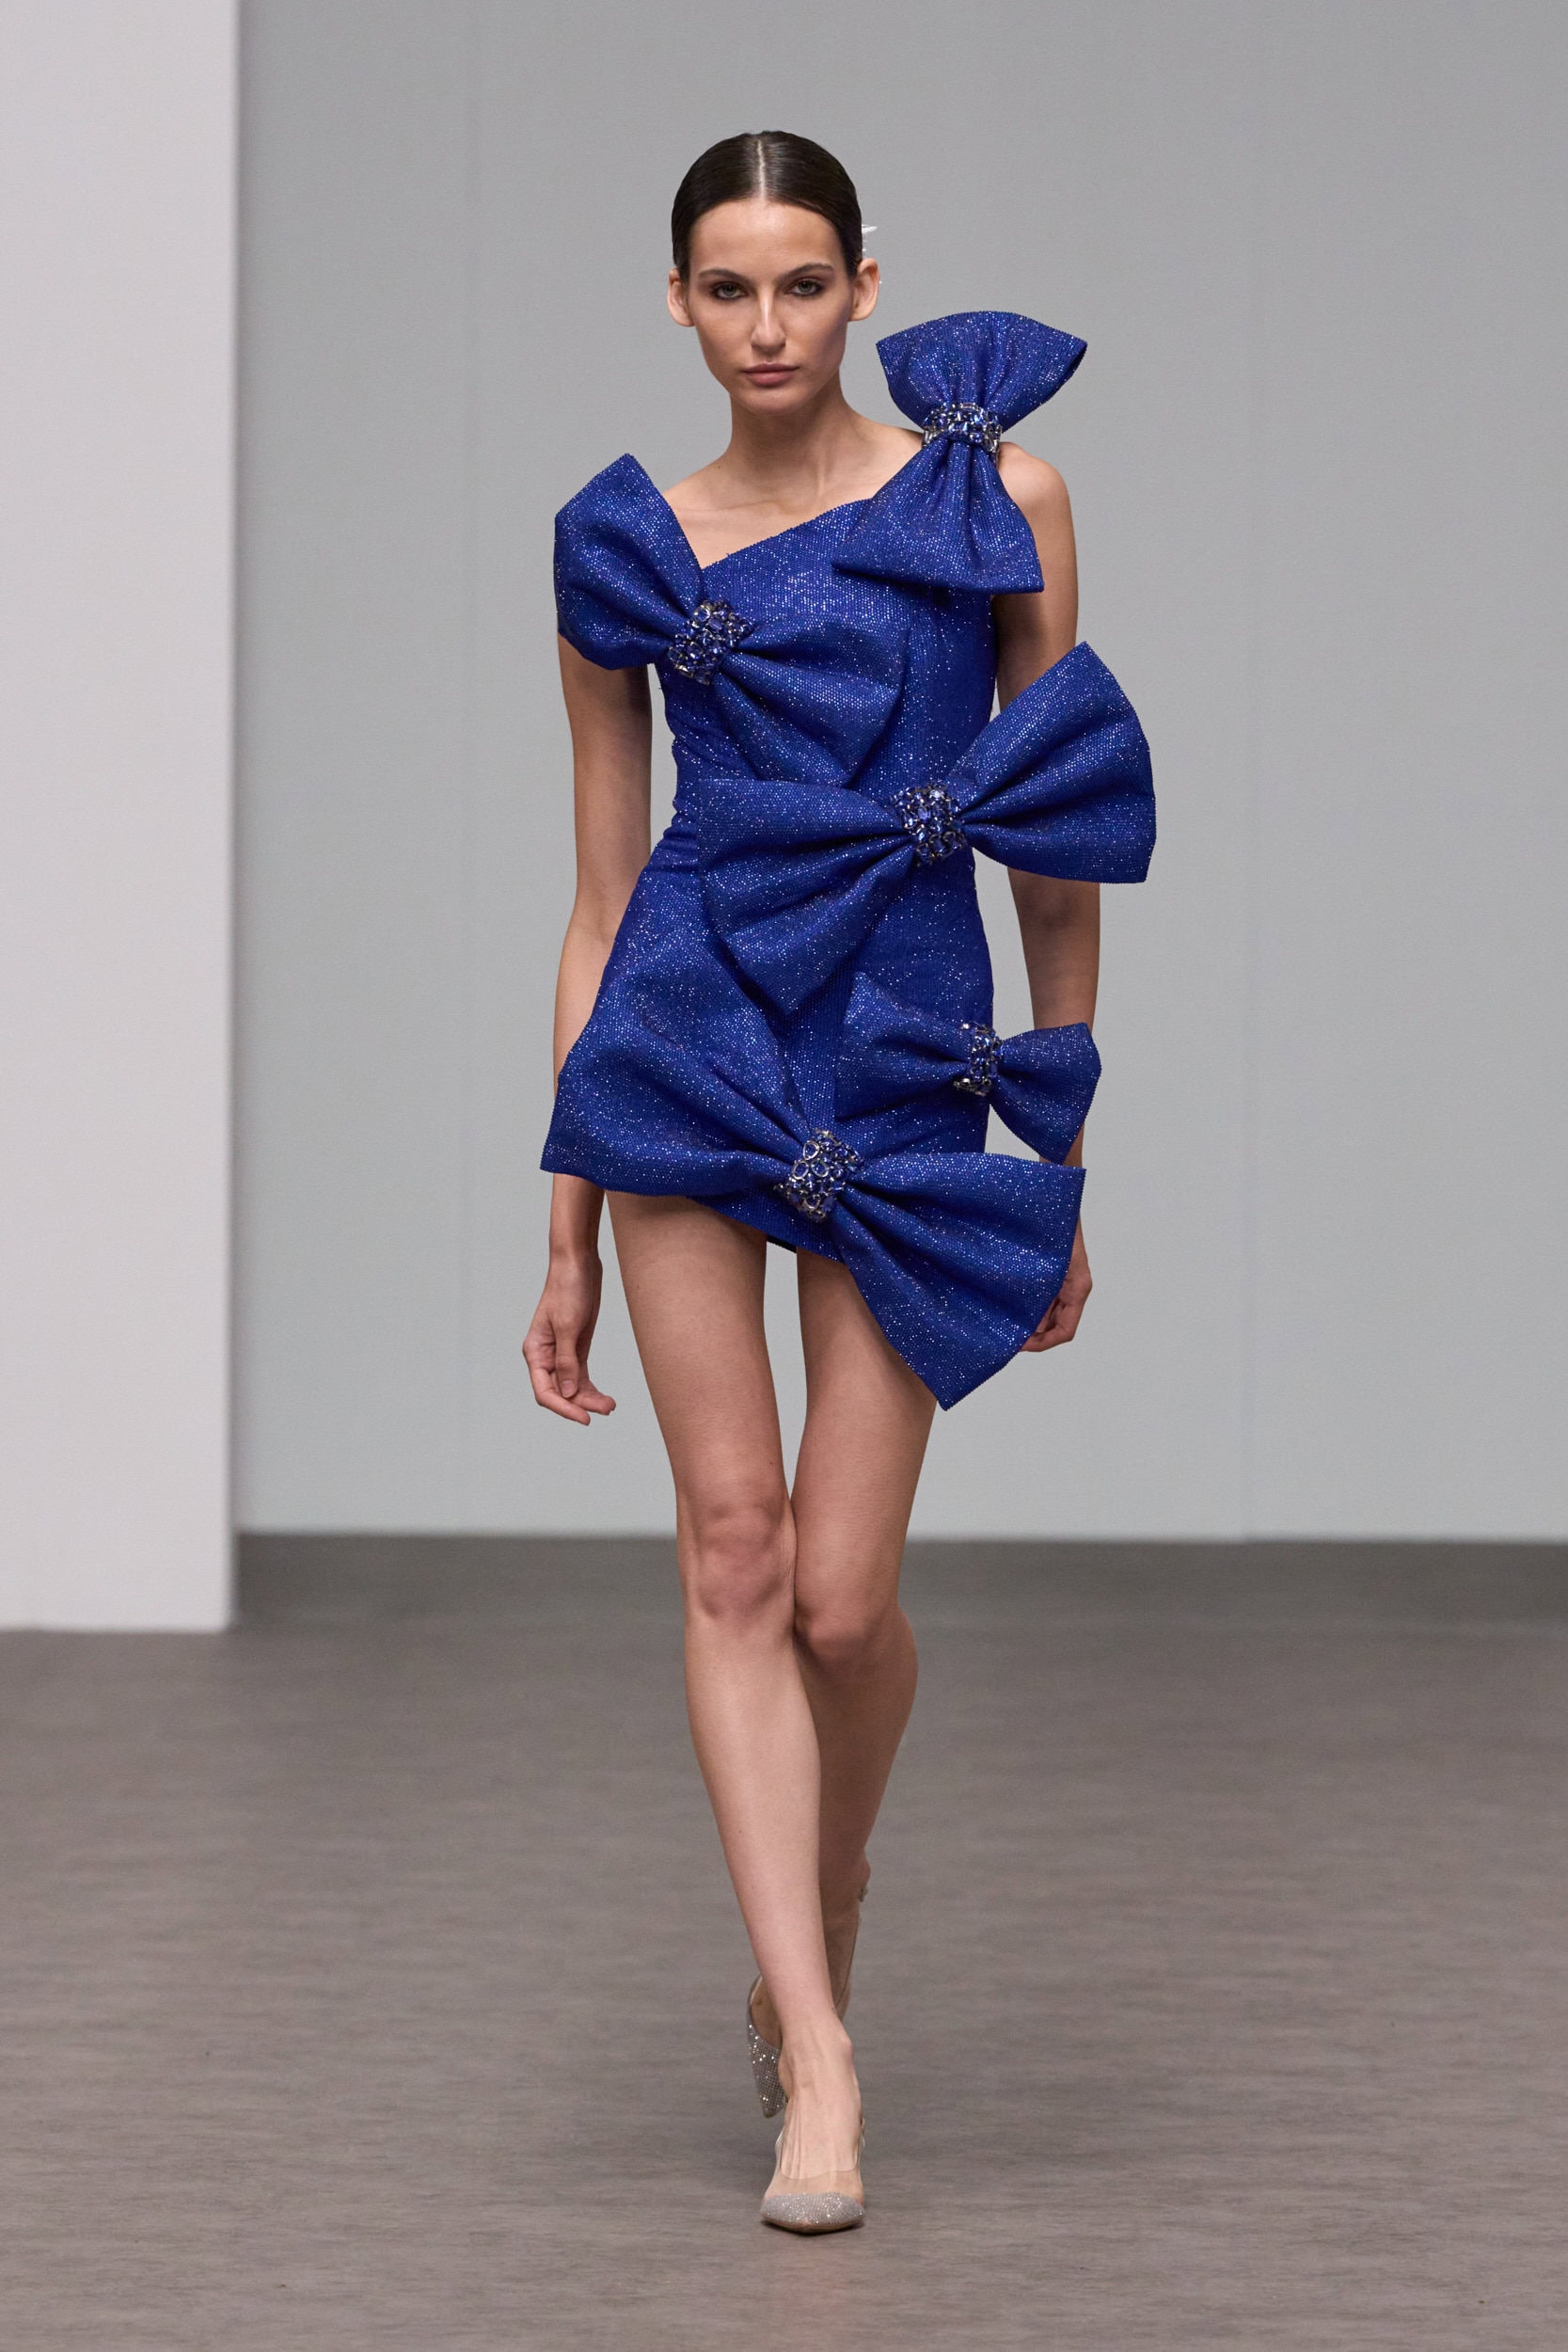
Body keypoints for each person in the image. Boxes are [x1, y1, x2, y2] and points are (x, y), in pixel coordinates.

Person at [524, 130, 1153, 2233]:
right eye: (729, 287)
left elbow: (1055, 838)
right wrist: (561, 1223)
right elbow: (600, 893)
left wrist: (1059, 1148)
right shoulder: (629, 544)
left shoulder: (995, 497)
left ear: (866, 287)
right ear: (679, 303)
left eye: (803, 283)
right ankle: (820, 2052)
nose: (768, 325)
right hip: (683, 1042)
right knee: (731, 1548)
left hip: (905, 1043)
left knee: (842, 1598)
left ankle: (832, 1883)